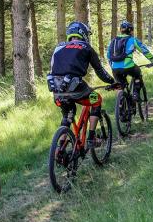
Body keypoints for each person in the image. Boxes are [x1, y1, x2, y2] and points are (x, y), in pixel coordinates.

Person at [48, 21, 118, 149]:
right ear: (84, 34)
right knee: (97, 100)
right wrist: (112, 82)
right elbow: (100, 71)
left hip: (57, 90)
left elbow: (53, 68)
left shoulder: (59, 47)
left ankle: (60, 148)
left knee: (67, 115)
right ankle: (91, 138)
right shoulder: (86, 47)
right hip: (77, 88)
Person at [107, 20, 153, 102]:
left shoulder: (113, 40)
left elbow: (108, 55)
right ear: (130, 30)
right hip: (128, 66)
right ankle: (135, 94)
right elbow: (144, 51)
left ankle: (121, 106)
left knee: (121, 85)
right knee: (137, 74)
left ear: (121, 30)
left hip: (115, 68)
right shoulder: (132, 39)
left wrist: (113, 66)